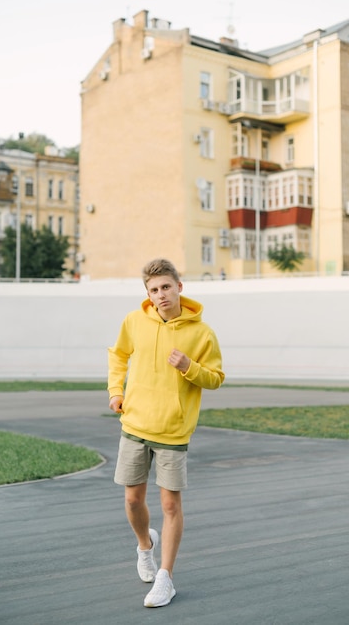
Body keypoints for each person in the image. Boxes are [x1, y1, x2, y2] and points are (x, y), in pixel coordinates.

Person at [108, 258, 225, 608]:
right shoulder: (134, 321)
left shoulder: (201, 333)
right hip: (135, 424)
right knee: (132, 499)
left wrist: (189, 367)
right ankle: (146, 546)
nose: (161, 295)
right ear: (148, 293)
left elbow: (216, 378)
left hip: (173, 431)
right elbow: (118, 356)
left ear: (179, 287)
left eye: (166, 287)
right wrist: (116, 391)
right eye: (154, 290)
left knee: (171, 504)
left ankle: (166, 577)